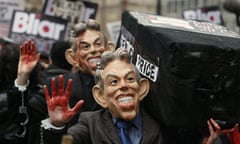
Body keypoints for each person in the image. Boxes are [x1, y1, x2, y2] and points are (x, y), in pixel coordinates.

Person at [9, 19, 115, 144]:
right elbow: (22, 118)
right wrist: (22, 77)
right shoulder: (58, 86)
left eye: (98, 44)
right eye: (85, 46)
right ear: (72, 57)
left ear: (109, 49)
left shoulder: (124, 86)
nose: (93, 50)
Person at [41, 47, 163, 144]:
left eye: (130, 79)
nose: (124, 86)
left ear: (141, 89)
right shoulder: (90, 124)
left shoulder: (158, 127)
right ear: (100, 96)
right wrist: (57, 126)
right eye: (113, 82)